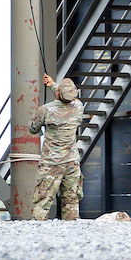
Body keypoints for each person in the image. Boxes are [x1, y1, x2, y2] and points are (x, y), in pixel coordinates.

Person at [29, 72, 85, 221]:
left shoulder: (46, 110)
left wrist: (55, 87)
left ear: (59, 92)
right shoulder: (78, 107)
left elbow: (33, 128)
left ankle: (38, 235)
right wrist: (53, 85)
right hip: (72, 163)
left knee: (42, 202)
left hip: (50, 164)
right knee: (71, 202)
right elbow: (69, 98)